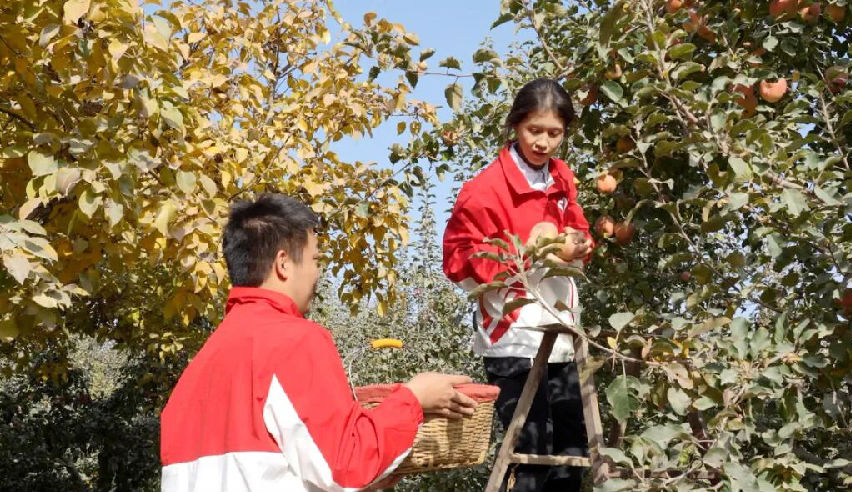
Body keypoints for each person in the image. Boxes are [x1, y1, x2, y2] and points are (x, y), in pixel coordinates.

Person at [160, 193, 477, 492]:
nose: (319, 272)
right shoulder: (294, 340)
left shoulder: (198, 369)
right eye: (315, 258)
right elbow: (345, 463)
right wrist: (413, 397)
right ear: (284, 264)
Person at [443, 78, 593, 492]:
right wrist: (526, 253)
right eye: (534, 131)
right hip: (512, 332)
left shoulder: (561, 179)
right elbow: (457, 258)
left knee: (572, 448)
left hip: (560, 327)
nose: (543, 142)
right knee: (531, 448)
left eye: (554, 133)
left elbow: (579, 231)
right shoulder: (484, 190)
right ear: (515, 126)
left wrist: (579, 243)